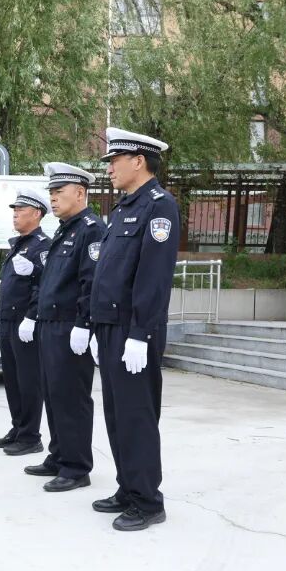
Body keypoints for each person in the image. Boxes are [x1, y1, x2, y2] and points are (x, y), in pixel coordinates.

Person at [90, 127, 179, 531]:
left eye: (115, 161)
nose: (109, 168)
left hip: (134, 330)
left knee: (137, 416)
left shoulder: (159, 207)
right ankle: (128, 487)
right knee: (117, 415)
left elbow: (153, 278)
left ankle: (147, 501)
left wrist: (140, 334)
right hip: (112, 328)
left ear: (138, 161)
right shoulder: (125, 208)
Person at [24, 163, 107, 492]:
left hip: (69, 327)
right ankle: (59, 455)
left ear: (80, 193)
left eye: (59, 192)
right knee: (53, 393)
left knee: (71, 397)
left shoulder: (91, 229)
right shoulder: (64, 230)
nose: (53, 199)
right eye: (52, 193)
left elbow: (92, 281)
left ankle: (76, 467)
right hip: (50, 326)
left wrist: (84, 324)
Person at [0, 187, 52, 457]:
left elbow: (44, 286)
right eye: (14, 210)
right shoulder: (18, 244)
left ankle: (30, 436)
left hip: (26, 322)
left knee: (28, 380)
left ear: (36, 213)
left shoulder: (42, 246)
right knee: (12, 379)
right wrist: (2, 316)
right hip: (8, 319)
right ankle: (18, 427)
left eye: (21, 210)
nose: (15, 214)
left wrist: (31, 317)